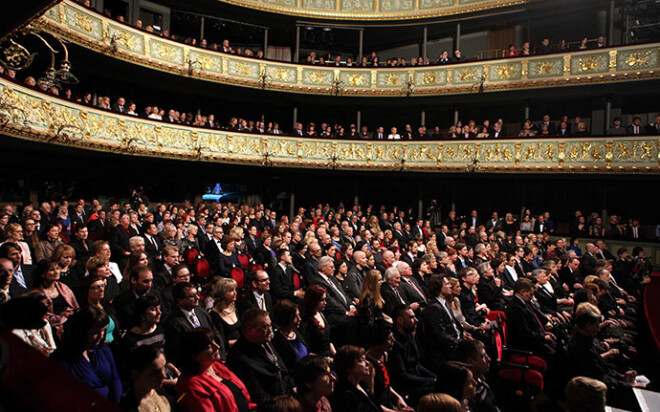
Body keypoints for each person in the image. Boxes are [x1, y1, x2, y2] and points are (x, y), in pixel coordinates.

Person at [53, 306, 122, 402]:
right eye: (95, 332)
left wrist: (117, 400)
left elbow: (115, 378)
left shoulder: (103, 349)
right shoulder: (63, 359)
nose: (102, 336)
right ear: (82, 331)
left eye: (103, 330)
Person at [226, 308, 295, 405]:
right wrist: (283, 403)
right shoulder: (238, 357)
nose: (270, 331)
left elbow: (282, 369)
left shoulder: (264, 340)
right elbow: (257, 394)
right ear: (250, 330)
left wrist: (292, 389)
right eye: (265, 327)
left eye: (270, 326)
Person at [176, 328, 255, 412]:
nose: (217, 347)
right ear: (195, 356)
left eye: (214, 341)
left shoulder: (217, 366)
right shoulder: (192, 385)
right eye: (209, 346)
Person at [389, 304, 436, 403]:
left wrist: (434, 377)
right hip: (407, 389)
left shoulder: (409, 336)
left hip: (417, 381)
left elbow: (416, 364)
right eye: (411, 317)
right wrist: (430, 381)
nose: (416, 320)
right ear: (400, 320)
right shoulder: (394, 344)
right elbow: (402, 376)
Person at [365, 324, 413, 411]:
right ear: (379, 342)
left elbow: (386, 385)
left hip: (389, 405)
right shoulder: (369, 365)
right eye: (389, 338)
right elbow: (371, 402)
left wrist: (398, 397)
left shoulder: (384, 355)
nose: (393, 340)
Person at [119, 345, 172, 412]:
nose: (164, 376)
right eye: (156, 373)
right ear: (136, 375)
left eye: (164, 368)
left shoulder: (164, 392)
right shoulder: (127, 406)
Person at [330, 345, 380, 412]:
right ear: (348, 366)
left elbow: (376, 407)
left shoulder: (361, 384)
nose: (367, 363)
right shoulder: (345, 396)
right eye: (361, 360)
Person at [33, 259, 79, 332]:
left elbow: (74, 308)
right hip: (48, 328)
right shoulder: (38, 294)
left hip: (68, 325)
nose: (56, 272)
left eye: (57, 269)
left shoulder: (64, 288)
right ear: (43, 274)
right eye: (52, 270)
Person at [272, 299, 309, 372]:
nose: (300, 319)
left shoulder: (297, 332)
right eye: (295, 317)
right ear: (286, 318)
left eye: (299, 315)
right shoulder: (278, 340)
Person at [300, 284, 335, 357]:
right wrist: (329, 360)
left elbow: (328, 341)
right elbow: (308, 351)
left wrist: (336, 355)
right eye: (321, 300)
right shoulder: (305, 321)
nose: (325, 303)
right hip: (318, 360)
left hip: (329, 355)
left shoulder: (321, 314)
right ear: (313, 301)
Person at [209, 277, 241, 348]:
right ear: (222, 293)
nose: (235, 293)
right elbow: (221, 341)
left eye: (235, 289)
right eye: (231, 290)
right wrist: (240, 342)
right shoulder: (214, 314)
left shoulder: (235, 307)